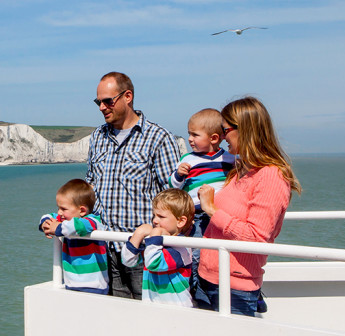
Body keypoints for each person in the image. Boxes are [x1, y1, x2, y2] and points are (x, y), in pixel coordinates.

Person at [195, 96, 302, 316]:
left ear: (244, 129)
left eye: (225, 130)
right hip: (208, 281)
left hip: (233, 288)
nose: (222, 137)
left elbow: (257, 238)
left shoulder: (270, 176)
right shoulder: (242, 171)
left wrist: (212, 209)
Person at [85, 72, 182, 299]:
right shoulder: (97, 137)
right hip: (105, 250)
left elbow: (174, 197)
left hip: (142, 251)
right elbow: (90, 185)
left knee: (149, 319)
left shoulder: (159, 138)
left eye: (107, 101)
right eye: (98, 102)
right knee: (118, 321)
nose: (101, 107)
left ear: (127, 96)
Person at [167, 108, 235, 295]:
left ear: (214, 138)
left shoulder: (229, 159)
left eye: (195, 135)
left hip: (220, 214)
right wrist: (178, 175)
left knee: (221, 254)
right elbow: (174, 187)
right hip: (197, 216)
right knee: (196, 254)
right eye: (189, 134)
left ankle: (218, 288)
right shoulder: (188, 160)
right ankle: (196, 289)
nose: (190, 139)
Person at [121, 189, 195, 307]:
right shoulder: (154, 244)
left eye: (161, 216)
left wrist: (155, 234)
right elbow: (127, 260)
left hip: (177, 310)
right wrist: (138, 234)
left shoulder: (182, 247)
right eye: (154, 215)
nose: (155, 220)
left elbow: (154, 263)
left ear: (180, 221)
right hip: (153, 307)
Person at [39, 179, 109, 294]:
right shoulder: (64, 219)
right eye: (58, 208)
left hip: (95, 286)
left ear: (82, 210)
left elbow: (77, 227)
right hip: (71, 284)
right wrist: (46, 224)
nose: (59, 213)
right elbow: (48, 216)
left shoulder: (93, 221)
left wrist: (56, 228)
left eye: (63, 209)